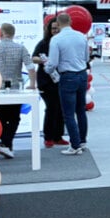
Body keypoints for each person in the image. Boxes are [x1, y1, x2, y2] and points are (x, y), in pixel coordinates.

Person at [45, 12, 90, 155]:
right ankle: (82, 141)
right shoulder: (81, 37)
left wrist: (47, 69)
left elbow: (53, 62)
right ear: (70, 21)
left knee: (69, 114)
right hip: (82, 75)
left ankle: (75, 145)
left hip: (67, 77)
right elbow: (87, 57)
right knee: (81, 110)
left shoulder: (56, 39)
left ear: (57, 24)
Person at [0, 23, 37, 159]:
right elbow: (30, 66)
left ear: (1, 33)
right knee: (14, 118)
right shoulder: (20, 48)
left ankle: (6, 145)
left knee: (0, 117)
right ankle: (6, 145)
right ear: (13, 34)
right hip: (15, 88)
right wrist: (33, 84)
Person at [32, 18, 67, 148]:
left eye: (58, 28)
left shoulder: (64, 43)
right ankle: (48, 137)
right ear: (49, 30)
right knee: (52, 108)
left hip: (62, 80)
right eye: (53, 28)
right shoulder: (43, 43)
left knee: (61, 109)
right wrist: (44, 61)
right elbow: (34, 58)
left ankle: (58, 136)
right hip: (46, 81)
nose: (55, 31)